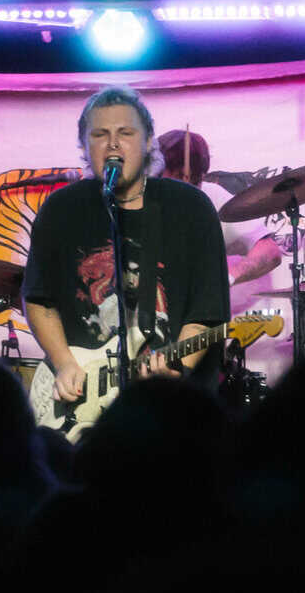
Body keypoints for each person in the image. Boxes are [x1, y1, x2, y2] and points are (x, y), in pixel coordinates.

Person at [24, 88, 231, 406]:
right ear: (84, 145)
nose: (113, 144)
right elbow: (39, 299)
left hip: (173, 407)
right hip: (82, 401)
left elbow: (207, 313)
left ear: (148, 141)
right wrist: (64, 363)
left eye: (126, 133)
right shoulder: (60, 210)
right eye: (100, 134)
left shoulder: (191, 208)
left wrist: (175, 367)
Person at [155, 127, 285, 288]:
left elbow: (270, 251)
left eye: (195, 181)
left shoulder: (211, 196)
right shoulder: (137, 198)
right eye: (177, 178)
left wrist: (228, 277)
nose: (186, 189)